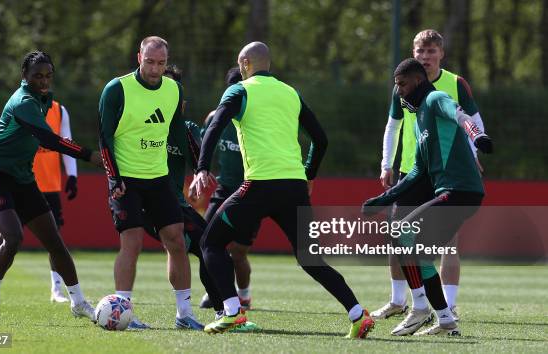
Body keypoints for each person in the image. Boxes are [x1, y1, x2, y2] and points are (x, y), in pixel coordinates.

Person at [191, 41, 374, 338]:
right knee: (310, 257)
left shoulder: (239, 90)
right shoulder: (291, 93)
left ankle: (233, 313)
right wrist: (309, 175)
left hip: (259, 185)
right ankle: (357, 314)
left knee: (210, 244)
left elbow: (213, 128)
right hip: (294, 187)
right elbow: (321, 138)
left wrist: (201, 168)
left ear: (244, 63)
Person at [363, 58, 492, 336]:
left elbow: (460, 115)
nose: (399, 92)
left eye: (402, 84)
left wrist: (477, 135)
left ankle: (420, 308)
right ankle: (445, 320)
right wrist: (383, 199)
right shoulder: (419, 119)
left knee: (402, 234)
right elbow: (417, 174)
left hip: (461, 192)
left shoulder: (435, 98)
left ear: (418, 81)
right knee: (414, 249)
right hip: (451, 194)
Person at [0, 51, 102, 324]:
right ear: (25, 76)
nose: (44, 81)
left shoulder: (43, 100)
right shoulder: (22, 101)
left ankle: (79, 302)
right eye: (37, 76)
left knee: (55, 243)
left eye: (48, 75)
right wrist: (89, 155)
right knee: (13, 237)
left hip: (23, 179)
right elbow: (49, 139)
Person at [98, 37, 199, 330]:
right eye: (150, 62)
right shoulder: (116, 89)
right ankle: (122, 311)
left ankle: (184, 313)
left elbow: (178, 131)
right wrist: (114, 177)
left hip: (159, 178)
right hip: (126, 179)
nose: (155, 69)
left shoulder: (173, 90)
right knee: (133, 242)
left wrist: (200, 167)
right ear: (139, 56)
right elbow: (105, 137)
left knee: (177, 240)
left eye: (161, 63)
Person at [0, 100, 79, 303]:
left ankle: (56, 289)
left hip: (49, 186)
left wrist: (72, 175)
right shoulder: (19, 107)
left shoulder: (59, 110)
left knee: (53, 238)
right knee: (5, 236)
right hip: (22, 184)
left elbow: (66, 141)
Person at [198, 67, 257, 311]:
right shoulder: (215, 118)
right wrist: (198, 174)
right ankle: (216, 292)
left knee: (238, 251)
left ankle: (243, 294)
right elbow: (204, 147)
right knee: (207, 239)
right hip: (224, 189)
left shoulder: (255, 119)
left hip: (251, 190)